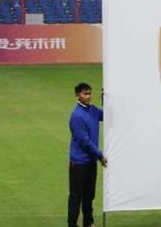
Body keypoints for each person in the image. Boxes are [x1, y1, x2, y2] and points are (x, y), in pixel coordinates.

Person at [68, 83, 106, 227]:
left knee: (89, 195)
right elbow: (84, 142)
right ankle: (72, 224)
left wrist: (107, 100)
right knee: (76, 196)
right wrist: (100, 155)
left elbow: (106, 115)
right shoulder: (76, 116)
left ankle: (88, 222)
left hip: (90, 162)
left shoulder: (93, 110)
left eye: (89, 93)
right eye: (85, 94)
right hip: (78, 163)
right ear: (77, 95)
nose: (88, 96)